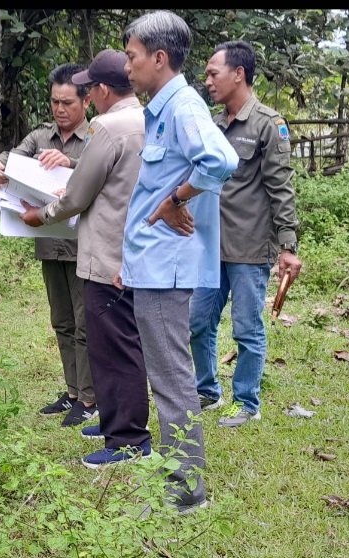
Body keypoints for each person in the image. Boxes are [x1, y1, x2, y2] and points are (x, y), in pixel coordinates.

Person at [114, 10, 239, 513]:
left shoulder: (184, 107)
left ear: (158, 58)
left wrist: (175, 201)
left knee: (170, 375)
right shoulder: (164, 109)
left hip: (167, 266)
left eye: (132, 56)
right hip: (154, 262)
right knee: (168, 371)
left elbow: (221, 161)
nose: (128, 67)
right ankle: (179, 476)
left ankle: (186, 488)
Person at [15, 49, 149, 464]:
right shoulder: (145, 119)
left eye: (87, 90)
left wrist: (41, 215)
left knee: (114, 347)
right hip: (130, 251)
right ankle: (112, 422)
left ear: (102, 91)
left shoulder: (108, 128)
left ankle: (128, 440)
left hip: (106, 254)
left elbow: (76, 196)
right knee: (114, 344)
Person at [190, 40, 302, 427]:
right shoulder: (213, 124)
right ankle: (206, 391)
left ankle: (247, 402)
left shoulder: (268, 124)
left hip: (250, 247)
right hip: (210, 245)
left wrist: (288, 244)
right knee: (197, 321)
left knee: (246, 328)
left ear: (239, 74)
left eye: (213, 73)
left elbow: (281, 187)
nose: (207, 81)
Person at [0, 64, 98, 427]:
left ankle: (91, 398)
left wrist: (71, 162)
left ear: (86, 100)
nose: (60, 109)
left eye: (67, 102)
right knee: (62, 320)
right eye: (54, 102)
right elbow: (11, 158)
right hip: (50, 240)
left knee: (85, 323)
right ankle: (72, 392)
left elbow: (109, 170)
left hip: (85, 243)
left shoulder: (97, 136)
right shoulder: (39, 137)